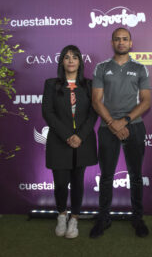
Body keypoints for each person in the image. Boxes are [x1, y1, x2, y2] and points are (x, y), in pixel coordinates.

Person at [89, 27, 151, 238]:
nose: (121, 42)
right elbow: (96, 100)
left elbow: (146, 101)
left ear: (130, 43)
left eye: (125, 39)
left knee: (135, 175)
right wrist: (111, 123)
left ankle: (137, 218)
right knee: (106, 176)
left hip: (133, 125)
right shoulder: (101, 67)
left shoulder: (140, 68)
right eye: (117, 39)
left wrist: (123, 121)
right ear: (112, 43)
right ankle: (103, 218)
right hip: (107, 127)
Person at [42, 45, 98, 238]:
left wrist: (80, 136)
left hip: (83, 142)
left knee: (78, 182)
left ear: (80, 62)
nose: (71, 60)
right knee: (60, 182)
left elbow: (93, 113)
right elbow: (47, 112)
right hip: (59, 141)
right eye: (67, 57)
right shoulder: (51, 84)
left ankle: (74, 219)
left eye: (75, 57)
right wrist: (67, 135)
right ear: (62, 62)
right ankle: (61, 215)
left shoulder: (89, 85)